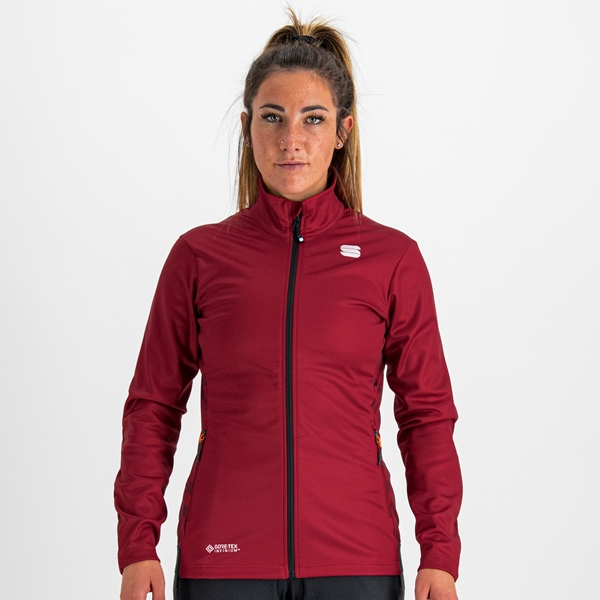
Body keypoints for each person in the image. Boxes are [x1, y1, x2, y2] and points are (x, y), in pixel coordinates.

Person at [115, 9, 462, 600]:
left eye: (313, 118)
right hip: (223, 558)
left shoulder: (392, 258)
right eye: (272, 117)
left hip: (357, 559)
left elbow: (426, 414)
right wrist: (137, 544)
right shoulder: (199, 256)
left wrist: (441, 553)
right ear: (247, 126)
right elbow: (153, 405)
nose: (290, 140)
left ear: (342, 130)